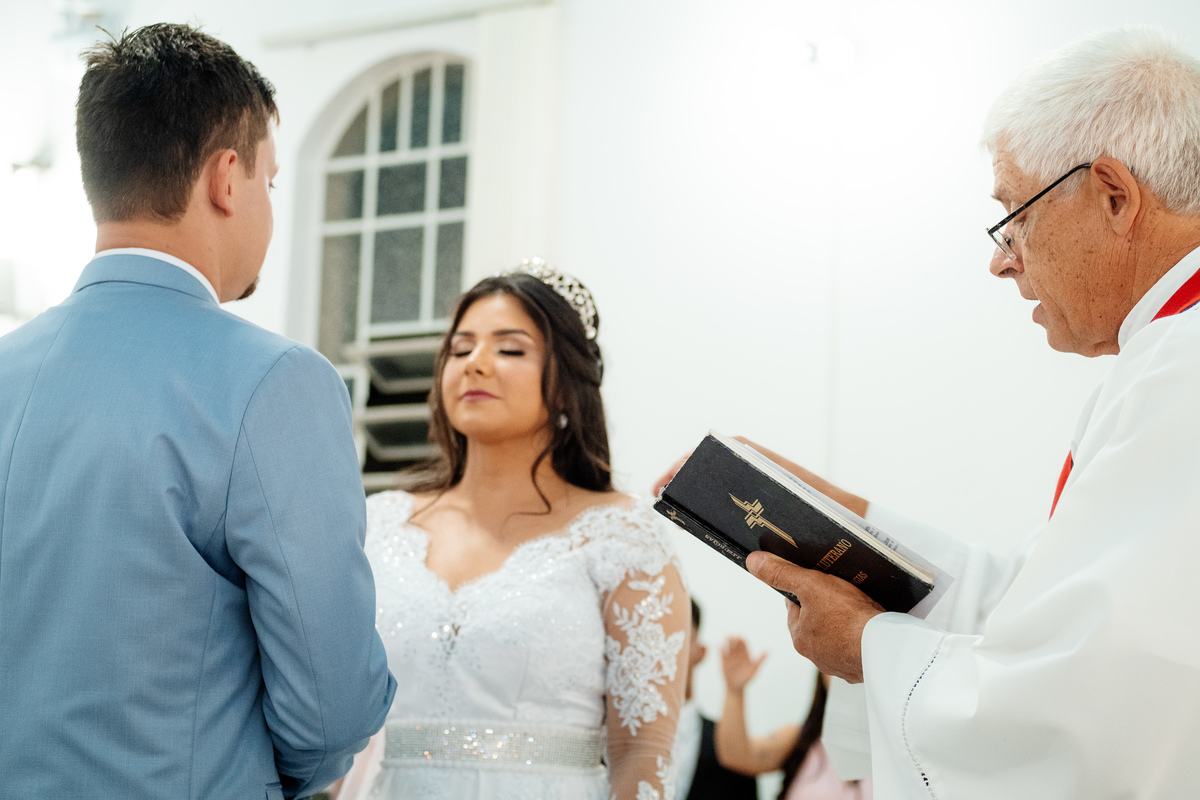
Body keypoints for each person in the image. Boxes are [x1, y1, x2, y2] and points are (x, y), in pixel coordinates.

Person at [670, 26, 1200, 800]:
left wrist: (866, 646)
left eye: (1014, 213)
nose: (1002, 256)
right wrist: (838, 517)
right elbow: (1038, 611)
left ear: (1114, 197)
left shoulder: (1181, 370)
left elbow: (1100, 704)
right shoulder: (1163, 358)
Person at [0, 24, 395, 799]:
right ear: (226, 178)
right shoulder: (277, 382)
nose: (269, 212)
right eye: (270, 184)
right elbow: (331, 709)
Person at [340, 260, 689, 800]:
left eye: (510, 349)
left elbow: (641, 754)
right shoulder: (380, 523)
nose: (476, 364)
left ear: (567, 384)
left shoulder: (623, 538)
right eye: (460, 350)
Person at [715, 638, 870, 800]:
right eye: (835, 663)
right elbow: (738, 755)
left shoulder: (891, 746)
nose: (845, 675)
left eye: (857, 663)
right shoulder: (800, 740)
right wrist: (735, 691)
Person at [671, 601, 759, 800]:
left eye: (676, 637)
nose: (663, 649)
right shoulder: (607, 735)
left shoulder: (731, 747)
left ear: (700, 652)